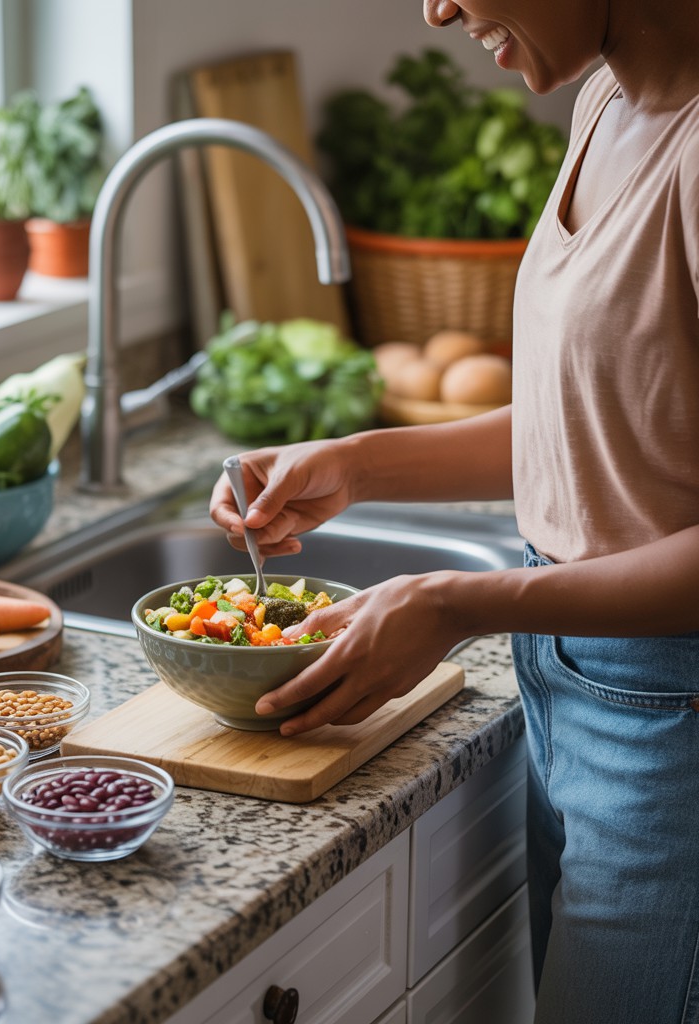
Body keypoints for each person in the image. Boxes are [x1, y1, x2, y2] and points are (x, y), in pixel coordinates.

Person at [209, 3, 699, 1022]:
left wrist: (458, 603)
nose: (436, 8)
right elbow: (603, 415)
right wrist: (357, 464)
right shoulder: (605, 99)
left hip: (670, 721)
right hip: (571, 688)